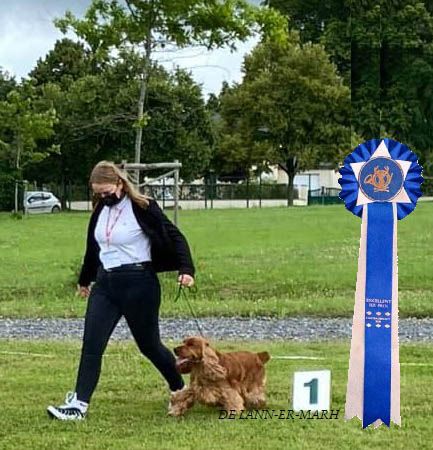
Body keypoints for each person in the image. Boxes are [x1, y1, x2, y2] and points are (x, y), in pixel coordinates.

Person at [47, 161, 195, 420]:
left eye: (106, 192)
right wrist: (85, 280)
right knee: (92, 344)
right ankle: (79, 405)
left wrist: (186, 269)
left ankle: (180, 388)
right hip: (106, 285)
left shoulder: (143, 207)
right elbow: (93, 248)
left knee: (149, 345)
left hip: (139, 283)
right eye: (98, 194)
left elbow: (175, 236)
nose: (103, 198)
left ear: (120, 184)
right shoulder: (99, 210)